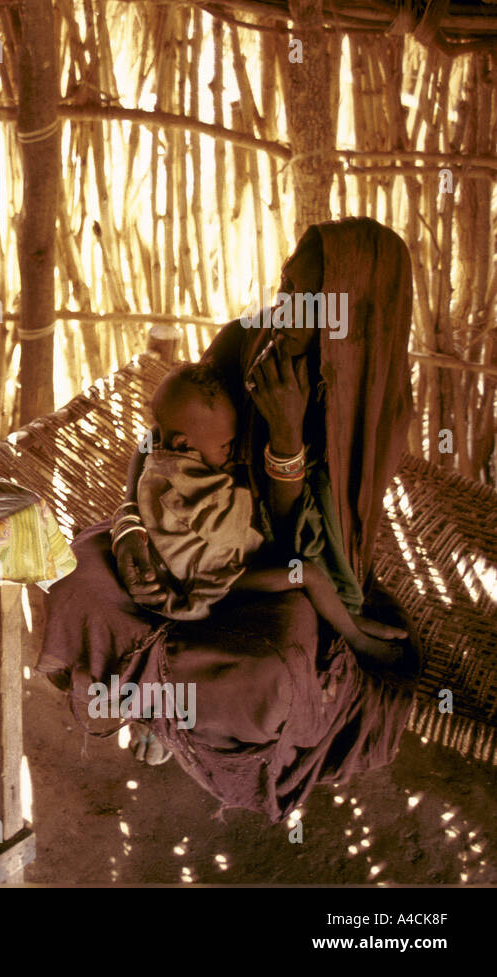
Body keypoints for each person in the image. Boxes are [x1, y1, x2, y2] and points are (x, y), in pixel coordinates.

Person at [40, 217, 419, 820]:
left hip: (274, 567)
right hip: (178, 536)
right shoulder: (245, 340)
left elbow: (305, 544)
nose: (284, 311)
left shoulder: (372, 409)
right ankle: (156, 705)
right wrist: (131, 526)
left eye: (307, 301)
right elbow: (160, 440)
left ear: (355, 314)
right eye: (285, 286)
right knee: (80, 579)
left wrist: (287, 436)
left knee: (268, 675)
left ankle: (167, 710)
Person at [130, 361, 407, 660]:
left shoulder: (161, 465)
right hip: (215, 585)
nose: (232, 452)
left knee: (297, 573)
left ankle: (347, 620)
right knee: (307, 574)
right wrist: (249, 483)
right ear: (183, 442)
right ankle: (355, 637)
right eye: (226, 445)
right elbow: (232, 531)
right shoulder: (181, 480)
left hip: (214, 573)